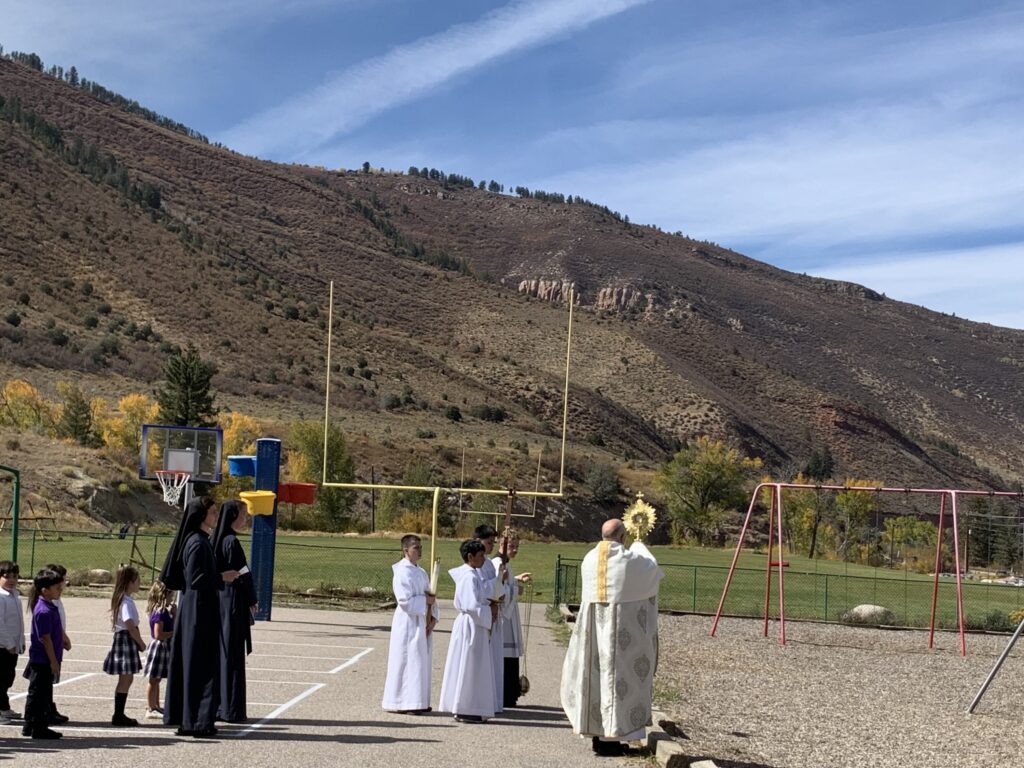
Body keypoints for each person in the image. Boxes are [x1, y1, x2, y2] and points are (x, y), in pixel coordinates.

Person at [560, 519, 663, 756]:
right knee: (617, 683)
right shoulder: (629, 560)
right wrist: (639, 545)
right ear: (622, 537)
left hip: (593, 634)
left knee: (596, 682)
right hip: (619, 636)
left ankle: (598, 736)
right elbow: (652, 570)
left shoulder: (589, 559)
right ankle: (611, 739)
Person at [161, 496, 239, 737]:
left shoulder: (200, 540)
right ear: (201, 516)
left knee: (195, 665)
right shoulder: (196, 543)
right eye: (213, 512)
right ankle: (197, 721)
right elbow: (195, 579)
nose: (216, 516)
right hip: (198, 610)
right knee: (201, 666)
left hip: (198, 608)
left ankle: (191, 719)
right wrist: (222, 577)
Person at [438, 539, 499, 723]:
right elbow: (471, 605)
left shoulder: (473, 574)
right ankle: (466, 707)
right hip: (471, 625)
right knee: (470, 664)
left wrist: (489, 605)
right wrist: (490, 611)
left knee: (473, 664)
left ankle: (471, 705)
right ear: (470, 557)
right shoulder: (469, 576)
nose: (483, 559)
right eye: (480, 556)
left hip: (475, 623)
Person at [382, 534, 439, 714]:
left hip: (421, 620)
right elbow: (404, 601)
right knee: (408, 660)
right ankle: (404, 702)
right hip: (408, 621)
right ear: (405, 550)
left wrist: (433, 617)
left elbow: (431, 595)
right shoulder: (402, 572)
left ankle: (419, 700)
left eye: (421, 547)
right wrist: (425, 602)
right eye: (416, 548)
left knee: (420, 661)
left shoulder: (421, 572)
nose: (419, 551)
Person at [212, 499, 257, 723]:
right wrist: (252, 598)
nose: (245, 519)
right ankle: (231, 708)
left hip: (220, 602)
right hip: (232, 603)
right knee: (232, 656)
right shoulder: (231, 542)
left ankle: (219, 705)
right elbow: (243, 574)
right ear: (232, 517)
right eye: (243, 515)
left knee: (221, 655)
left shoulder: (216, 540)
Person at [21, 568, 64, 739]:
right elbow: (45, 638)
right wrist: (53, 661)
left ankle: (30, 725)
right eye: (57, 588)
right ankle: (38, 727)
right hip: (43, 660)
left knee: (37, 693)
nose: (60, 591)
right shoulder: (44, 610)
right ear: (45, 591)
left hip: (45, 659)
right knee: (39, 695)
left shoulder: (49, 606)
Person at [102, 565, 146, 726]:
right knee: (126, 678)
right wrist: (140, 642)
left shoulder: (126, 599)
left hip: (125, 639)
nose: (139, 583)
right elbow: (129, 624)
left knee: (127, 678)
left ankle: (119, 713)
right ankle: (118, 714)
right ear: (129, 582)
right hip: (126, 639)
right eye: (137, 580)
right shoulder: (126, 602)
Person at [494, 532, 531, 708]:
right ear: (501, 545)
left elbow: (507, 585)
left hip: (509, 617)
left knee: (510, 656)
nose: (515, 550)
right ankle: (505, 694)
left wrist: (516, 581)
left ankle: (510, 693)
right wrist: (516, 590)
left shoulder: (506, 564)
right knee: (504, 656)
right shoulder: (497, 564)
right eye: (511, 546)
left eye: (517, 546)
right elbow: (497, 591)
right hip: (502, 617)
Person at [474, 524, 506, 712]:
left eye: (493, 542)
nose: (491, 546)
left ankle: (491, 698)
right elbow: (479, 589)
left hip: (491, 613)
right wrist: (497, 583)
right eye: (488, 542)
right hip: (480, 615)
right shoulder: (475, 564)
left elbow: (495, 588)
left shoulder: (487, 563)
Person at [143, 581, 176, 720]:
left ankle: (156, 705)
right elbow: (158, 634)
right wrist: (173, 633)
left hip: (164, 646)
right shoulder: (160, 612)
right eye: (170, 595)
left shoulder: (165, 611)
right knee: (153, 679)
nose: (172, 598)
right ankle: (151, 707)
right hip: (159, 646)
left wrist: (174, 615)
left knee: (158, 679)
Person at [43, 563, 71, 726]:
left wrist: (63, 638)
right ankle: (45, 710)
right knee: (46, 679)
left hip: (57, 642)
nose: (64, 582)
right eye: (62, 579)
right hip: (50, 644)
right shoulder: (49, 602)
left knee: (51, 679)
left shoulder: (57, 599)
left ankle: (50, 707)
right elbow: (52, 625)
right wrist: (62, 637)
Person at [0, 560, 24, 723]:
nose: (11, 580)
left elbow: (19, 622)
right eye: (7, 576)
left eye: (14, 576)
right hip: (3, 646)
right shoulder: (1, 597)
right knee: (1, 679)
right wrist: (8, 644)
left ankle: (4, 708)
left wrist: (20, 641)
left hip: (13, 646)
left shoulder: (15, 596)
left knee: (8, 678)